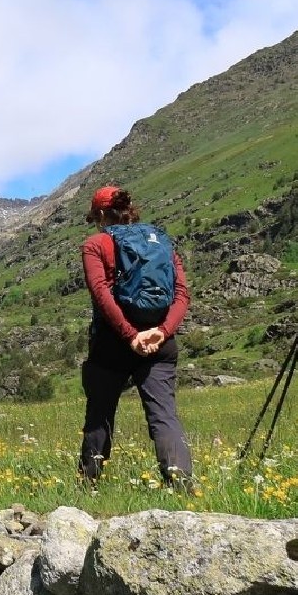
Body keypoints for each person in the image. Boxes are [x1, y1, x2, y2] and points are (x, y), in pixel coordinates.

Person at [79, 184, 194, 489]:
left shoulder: (96, 244)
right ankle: (182, 487)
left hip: (111, 343)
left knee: (100, 415)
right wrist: (162, 331)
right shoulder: (161, 242)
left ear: (100, 214)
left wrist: (130, 335)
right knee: (164, 416)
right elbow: (182, 293)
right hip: (159, 342)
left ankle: (88, 488)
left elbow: (101, 292)